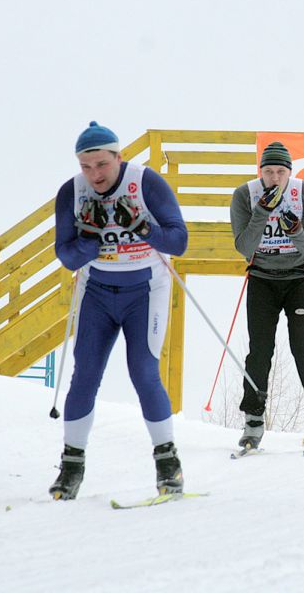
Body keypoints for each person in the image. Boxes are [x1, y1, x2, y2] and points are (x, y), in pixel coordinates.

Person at [50, 121, 189, 500]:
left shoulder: (145, 183)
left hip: (144, 289)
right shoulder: (72, 192)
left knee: (143, 372)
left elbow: (179, 241)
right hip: (97, 290)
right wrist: (91, 241)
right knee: (85, 375)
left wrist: (143, 227)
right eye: (86, 166)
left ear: (118, 157)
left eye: (101, 164)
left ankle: (167, 462)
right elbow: (65, 255)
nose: (94, 174)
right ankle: (71, 466)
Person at [230, 141, 304, 450]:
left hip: (300, 278)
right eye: (269, 172)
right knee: (259, 350)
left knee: (302, 346)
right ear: (260, 172)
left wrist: (295, 231)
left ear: (290, 173)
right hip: (262, 278)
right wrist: (262, 213)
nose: (274, 178)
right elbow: (244, 248)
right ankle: (253, 422)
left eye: (281, 172)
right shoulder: (245, 195)